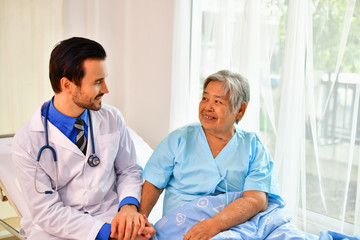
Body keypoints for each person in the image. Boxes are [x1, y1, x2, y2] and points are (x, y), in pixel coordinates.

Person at [12, 37, 155, 240]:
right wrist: (110, 234)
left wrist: (129, 209)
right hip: (57, 230)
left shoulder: (112, 118)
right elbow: (47, 212)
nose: (106, 89)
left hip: (111, 215)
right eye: (97, 82)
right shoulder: (28, 142)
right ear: (67, 85)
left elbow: (128, 170)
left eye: (104, 79)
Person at [139, 70, 280, 240]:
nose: (207, 107)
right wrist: (140, 223)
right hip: (182, 227)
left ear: (240, 110)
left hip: (234, 225)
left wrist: (214, 224)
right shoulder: (179, 139)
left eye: (218, 101)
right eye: (205, 98)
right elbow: (153, 182)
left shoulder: (253, 146)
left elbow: (257, 200)